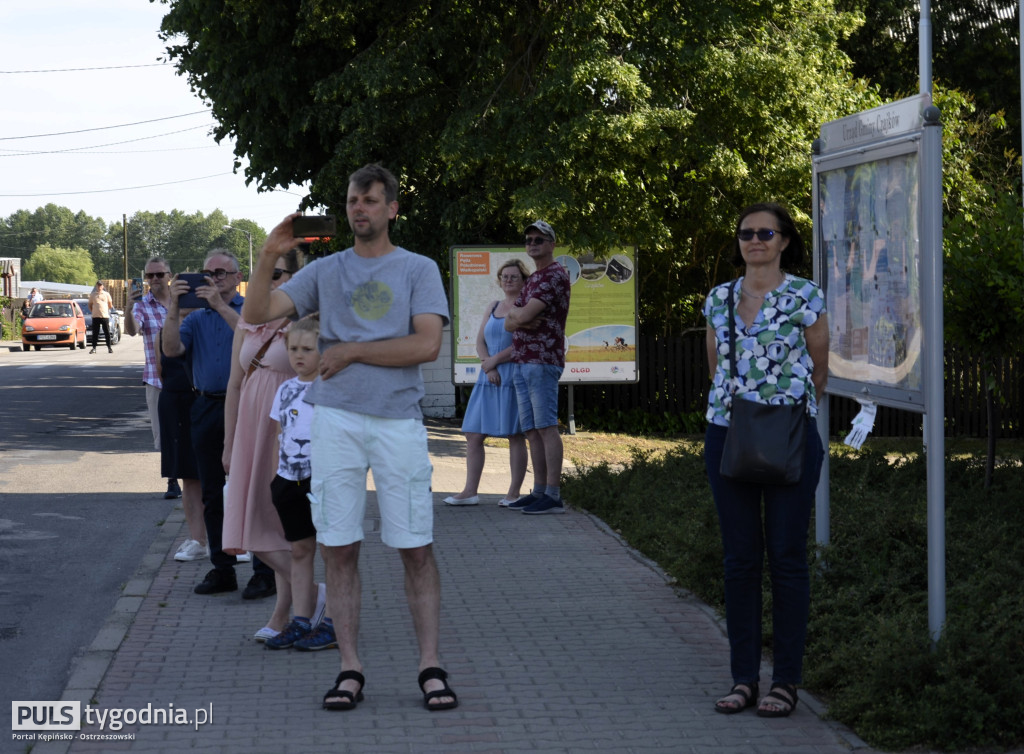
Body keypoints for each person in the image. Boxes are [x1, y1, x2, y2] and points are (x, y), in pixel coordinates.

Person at [243, 163, 457, 712]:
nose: (358, 208)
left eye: (369, 199)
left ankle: (430, 667)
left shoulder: (418, 268)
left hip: (397, 422)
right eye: (352, 200)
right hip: (334, 421)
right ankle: (350, 669)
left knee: (415, 548)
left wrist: (353, 350)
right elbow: (258, 314)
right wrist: (270, 253)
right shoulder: (326, 271)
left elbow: (426, 346)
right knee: (338, 548)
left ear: (391, 209)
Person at [703, 202, 828, 718]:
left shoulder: (805, 294)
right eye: (746, 233)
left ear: (783, 242)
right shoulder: (718, 298)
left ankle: (786, 683)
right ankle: (743, 679)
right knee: (739, 561)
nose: (754, 240)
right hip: (729, 436)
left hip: (791, 437)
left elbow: (821, 365)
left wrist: (785, 406)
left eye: (765, 233)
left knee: (787, 557)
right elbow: (715, 367)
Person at [221, 248, 329, 644]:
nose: (269, 283)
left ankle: (287, 611)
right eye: (264, 275)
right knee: (250, 524)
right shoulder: (248, 324)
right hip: (251, 428)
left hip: (288, 436)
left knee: (279, 525)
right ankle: (312, 596)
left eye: (278, 274)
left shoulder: (307, 326)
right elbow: (234, 384)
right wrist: (229, 443)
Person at [162, 250, 275, 598]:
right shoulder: (195, 318)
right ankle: (221, 568)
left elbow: (255, 343)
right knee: (212, 491)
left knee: (255, 489)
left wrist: (221, 306)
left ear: (238, 277)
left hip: (249, 406)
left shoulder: (252, 311)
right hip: (207, 406)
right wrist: (173, 310)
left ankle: (264, 572)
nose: (214, 278)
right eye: (208, 272)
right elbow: (171, 350)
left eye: (222, 273)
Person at [264, 316, 335, 650]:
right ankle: (302, 620)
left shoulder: (334, 386)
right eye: (293, 348)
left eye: (307, 349)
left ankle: (333, 622)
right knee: (299, 550)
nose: (299, 356)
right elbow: (281, 433)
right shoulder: (286, 388)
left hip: (324, 481)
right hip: (288, 481)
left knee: (333, 553)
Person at [445, 259, 529, 506]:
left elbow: (521, 345)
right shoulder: (493, 306)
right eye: (504, 276)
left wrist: (493, 362)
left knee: (515, 434)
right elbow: (480, 340)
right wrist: (487, 363)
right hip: (488, 377)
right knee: (473, 434)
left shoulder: (526, 307)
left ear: (524, 280)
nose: (508, 280)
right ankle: (469, 492)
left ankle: (513, 494)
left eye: (514, 276)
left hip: (513, 376)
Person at [504, 220, 572, 515]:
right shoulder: (533, 279)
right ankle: (540, 490)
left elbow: (523, 314)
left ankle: (553, 495)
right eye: (529, 239)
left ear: (552, 243)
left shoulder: (555, 275)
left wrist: (521, 316)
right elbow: (508, 321)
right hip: (522, 362)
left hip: (542, 361)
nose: (532, 243)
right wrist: (520, 317)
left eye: (539, 239)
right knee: (531, 430)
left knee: (546, 427)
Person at [126, 257, 181, 500]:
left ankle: (192, 476)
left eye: (159, 274)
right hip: (157, 379)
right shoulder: (142, 305)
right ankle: (172, 480)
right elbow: (132, 329)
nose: (154, 280)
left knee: (190, 429)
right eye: (150, 276)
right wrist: (128, 307)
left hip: (189, 377)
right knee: (164, 433)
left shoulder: (183, 301)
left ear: (170, 275)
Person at [157, 329, 207, 563]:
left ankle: (233, 541)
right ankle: (198, 540)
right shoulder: (165, 331)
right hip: (176, 401)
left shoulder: (213, 321)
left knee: (221, 472)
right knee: (188, 474)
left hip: (210, 400)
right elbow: (161, 370)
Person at [88, 281, 114, 354]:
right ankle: (94, 348)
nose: (99, 287)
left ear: (102, 286)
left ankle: (109, 348)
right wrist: (94, 311)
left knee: (107, 332)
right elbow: (90, 305)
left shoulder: (106, 294)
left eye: (100, 286)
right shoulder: (93, 295)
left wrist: (105, 310)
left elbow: (110, 305)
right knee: (95, 333)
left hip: (104, 316)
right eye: (98, 286)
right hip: (95, 316)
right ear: (96, 286)